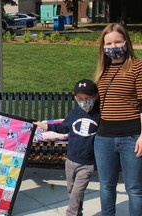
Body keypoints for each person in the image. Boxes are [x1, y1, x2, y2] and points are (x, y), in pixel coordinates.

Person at [94, 23, 142, 216]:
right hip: (104, 138)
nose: (113, 47)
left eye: (118, 42)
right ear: (103, 47)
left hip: (131, 138)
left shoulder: (138, 67)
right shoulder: (102, 71)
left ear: (126, 42)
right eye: (109, 43)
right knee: (106, 187)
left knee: (135, 189)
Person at [34, 79, 100, 216]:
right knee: (71, 190)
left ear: (96, 96)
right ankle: (78, 212)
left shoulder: (100, 115)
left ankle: (71, 213)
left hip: (87, 163)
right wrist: (45, 126)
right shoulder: (74, 114)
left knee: (77, 191)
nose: (84, 101)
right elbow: (63, 128)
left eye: (88, 98)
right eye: (80, 98)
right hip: (70, 160)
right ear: (75, 98)